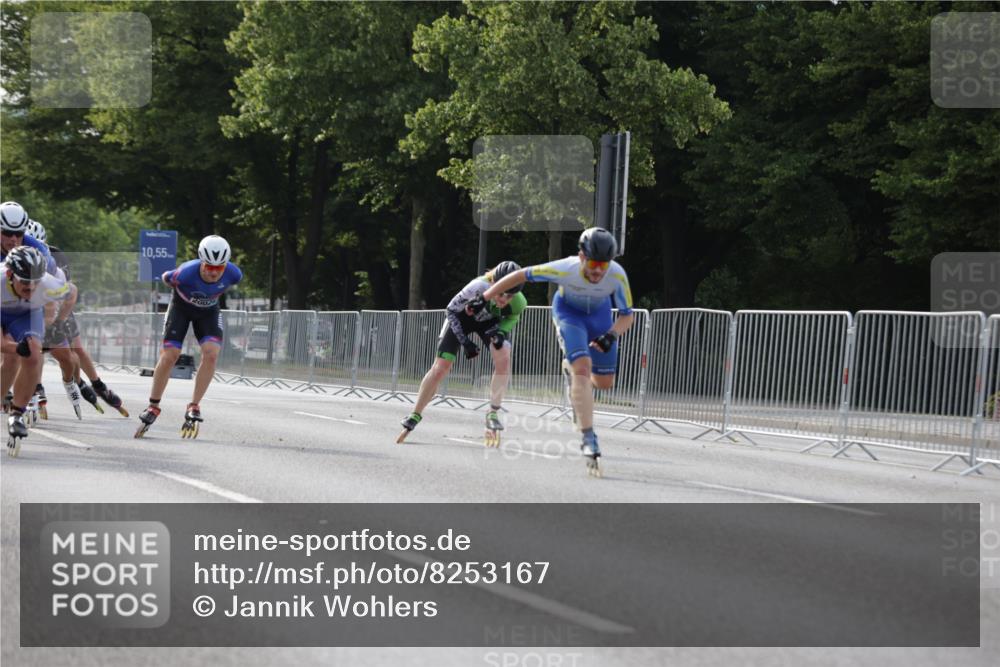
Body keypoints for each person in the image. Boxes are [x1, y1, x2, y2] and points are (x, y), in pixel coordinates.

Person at [480, 228, 634, 476]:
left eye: (604, 265)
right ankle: (588, 437)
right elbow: (522, 274)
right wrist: (485, 295)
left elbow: (627, 316)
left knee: (604, 383)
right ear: (581, 256)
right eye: (593, 263)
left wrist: (612, 334)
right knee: (582, 368)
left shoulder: (617, 275)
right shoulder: (565, 268)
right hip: (569, 316)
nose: (598, 271)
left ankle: (575, 388)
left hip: (600, 319)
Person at [397, 261, 527, 446]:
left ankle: (492, 412)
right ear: (493, 283)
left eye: (509, 296)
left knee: (504, 356)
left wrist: (501, 332)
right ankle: (415, 414)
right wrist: (465, 342)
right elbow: (451, 311)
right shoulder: (477, 286)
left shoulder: (520, 301)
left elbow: (512, 317)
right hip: (460, 320)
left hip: (487, 324)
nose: (504, 299)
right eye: (501, 293)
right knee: (441, 367)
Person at [135, 235, 242, 438]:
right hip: (181, 310)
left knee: (211, 354)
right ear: (201, 261)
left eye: (218, 268)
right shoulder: (184, 273)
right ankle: (153, 406)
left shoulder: (234, 274)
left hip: (208, 312)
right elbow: (166, 277)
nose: (213, 272)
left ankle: (194, 405)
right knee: (170, 355)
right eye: (209, 267)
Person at [29, 219, 128, 418]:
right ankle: (36, 387)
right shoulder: (14, 255)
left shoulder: (55, 256)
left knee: (76, 348)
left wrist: (57, 320)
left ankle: (97, 385)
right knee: (33, 347)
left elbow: (65, 291)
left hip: (56, 303)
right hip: (29, 304)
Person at [1, 246, 73, 457]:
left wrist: (57, 323)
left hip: (26, 314)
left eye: (35, 281)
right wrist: (14, 347)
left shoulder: (48, 284)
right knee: (11, 353)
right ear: (9, 274)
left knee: (33, 354)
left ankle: (16, 414)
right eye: (24, 281)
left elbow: (72, 293)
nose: (31, 286)